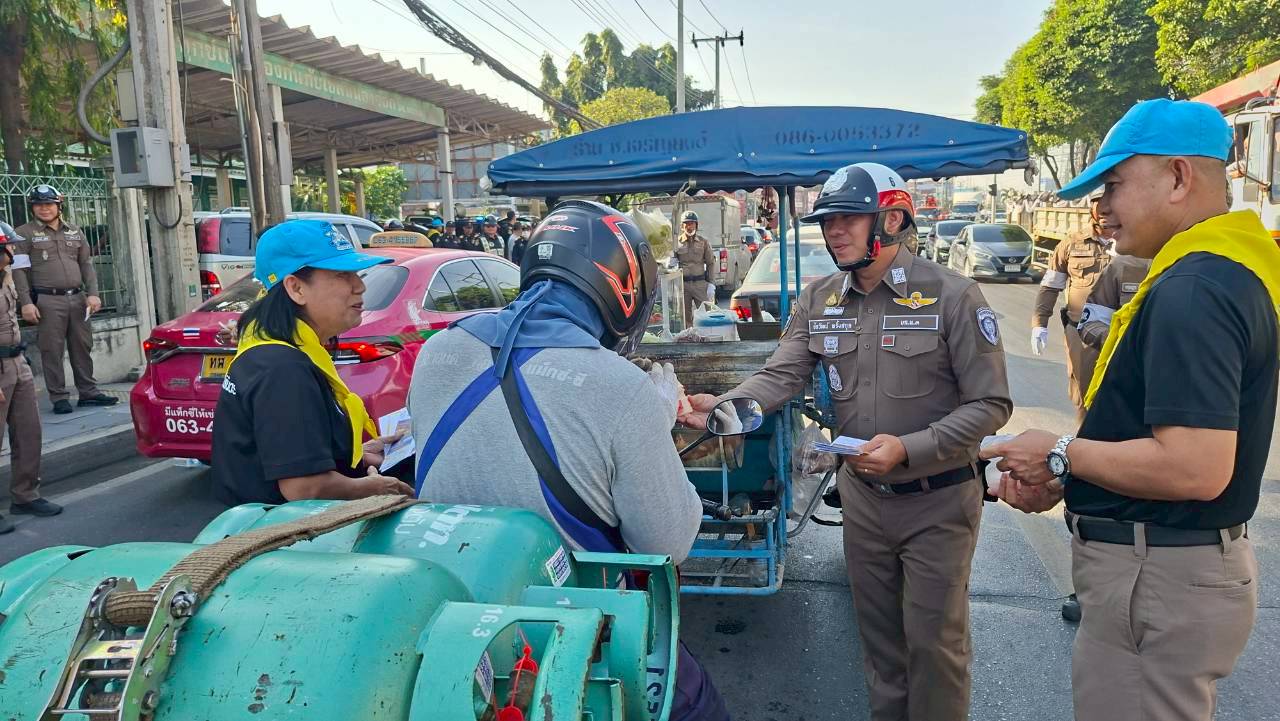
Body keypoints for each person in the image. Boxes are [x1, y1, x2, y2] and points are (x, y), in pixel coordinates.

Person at [984, 99, 1280, 721]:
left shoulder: (1194, 290)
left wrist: (1059, 452)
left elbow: (1195, 467)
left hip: (1157, 576)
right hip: (1164, 567)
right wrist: (1071, 478)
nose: (1100, 209)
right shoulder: (1220, 270)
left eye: (1114, 185)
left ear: (1178, 177)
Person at [688, 162, 1012, 721]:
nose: (834, 231)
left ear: (892, 220)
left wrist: (909, 448)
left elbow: (991, 405)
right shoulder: (820, 299)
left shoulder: (952, 296)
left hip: (937, 501)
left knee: (935, 647)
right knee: (880, 645)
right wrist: (724, 407)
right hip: (863, 500)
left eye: (848, 218)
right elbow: (781, 374)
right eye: (828, 220)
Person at [409, 200, 729, 721]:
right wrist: (656, 429)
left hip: (453, 614)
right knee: (699, 706)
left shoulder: (436, 350)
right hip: (570, 630)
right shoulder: (622, 387)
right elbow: (667, 545)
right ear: (622, 290)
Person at [210, 220, 413, 506]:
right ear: (296, 288)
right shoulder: (283, 369)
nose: (360, 286)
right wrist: (373, 487)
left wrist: (357, 454)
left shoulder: (276, 351)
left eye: (356, 273)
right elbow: (304, 487)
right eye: (342, 275)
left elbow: (288, 453)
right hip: (287, 531)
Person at [10, 184, 117, 414]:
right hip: (47, 301)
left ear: (59, 206)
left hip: (78, 299)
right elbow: (19, 272)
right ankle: (59, 397)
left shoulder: (74, 231)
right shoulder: (24, 234)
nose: (44, 208)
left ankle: (88, 393)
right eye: (38, 205)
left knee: (82, 346)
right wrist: (26, 302)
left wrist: (93, 294)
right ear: (32, 208)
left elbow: (86, 264)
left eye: (49, 204)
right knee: (51, 350)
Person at [0, 221, 60, 534]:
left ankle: (25, 495)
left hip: (16, 361)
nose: (13, 249)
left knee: (28, 432)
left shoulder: (6, 276)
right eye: (8, 246)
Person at [1031, 197, 1110, 420]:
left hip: (1125, 332)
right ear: (1092, 212)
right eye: (1101, 209)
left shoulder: (1134, 244)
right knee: (1083, 391)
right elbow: (1050, 286)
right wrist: (1039, 324)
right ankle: (1085, 434)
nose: (1106, 214)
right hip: (1081, 333)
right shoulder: (1072, 244)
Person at [674, 210, 715, 324]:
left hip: (700, 284)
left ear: (696, 225)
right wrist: (670, 262)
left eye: (692, 223)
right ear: (682, 226)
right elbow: (671, 263)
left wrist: (711, 283)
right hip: (683, 285)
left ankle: (706, 335)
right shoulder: (676, 243)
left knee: (706, 314)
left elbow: (711, 263)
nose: (689, 226)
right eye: (686, 224)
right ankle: (689, 334)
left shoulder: (703, 242)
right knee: (684, 317)